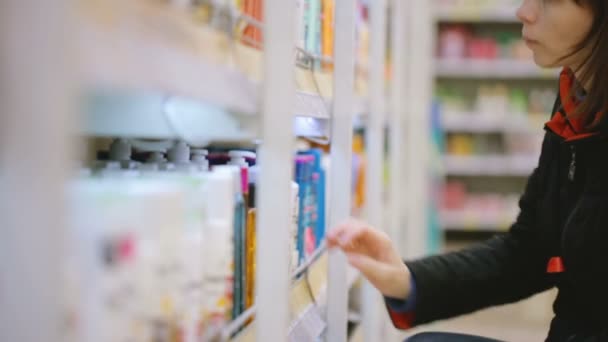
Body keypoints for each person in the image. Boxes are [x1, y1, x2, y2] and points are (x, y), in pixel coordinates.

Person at [327, 0, 608, 341]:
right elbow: (530, 249)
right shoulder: (575, 99)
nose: (524, 12)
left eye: (548, 1)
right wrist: (406, 279)